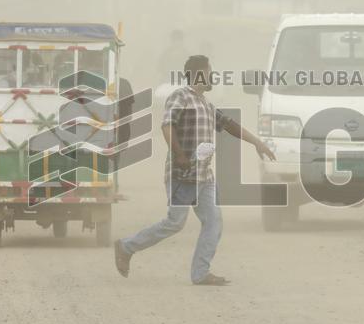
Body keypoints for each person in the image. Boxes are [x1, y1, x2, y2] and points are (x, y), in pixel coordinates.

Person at [114, 54, 276, 285]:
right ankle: (126, 247)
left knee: (213, 222)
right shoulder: (180, 97)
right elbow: (167, 125)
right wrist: (179, 155)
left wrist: (257, 142)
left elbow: (230, 125)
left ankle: (200, 273)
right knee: (174, 223)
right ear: (199, 73)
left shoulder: (206, 104)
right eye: (210, 72)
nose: (213, 76)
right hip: (182, 175)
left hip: (204, 177)